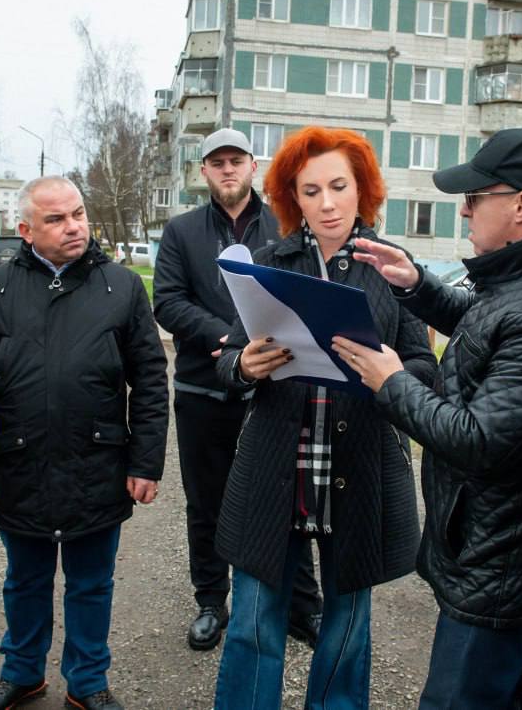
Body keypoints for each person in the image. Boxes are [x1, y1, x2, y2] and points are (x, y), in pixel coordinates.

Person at [333, 128, 522, 709]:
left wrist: (391, 382)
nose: (463, 209)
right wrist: (418, 285)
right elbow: (491, 327)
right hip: (504, 546)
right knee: (517, 693)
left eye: (475, 197)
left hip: (504, 560)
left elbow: (477, 439)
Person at [211, 127, 437, 710]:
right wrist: (246, 365)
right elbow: (230, 360)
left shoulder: (391, 268)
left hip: (358, 465)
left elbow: (424, 365)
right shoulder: (270, 262)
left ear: (363, 189)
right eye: (311, 191)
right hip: (276, 465)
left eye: (339, 186)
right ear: (294, 198)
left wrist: (393, 374)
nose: (328, 203)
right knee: (253, 618)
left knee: (347, 623)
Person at [0, 176, 168, 710]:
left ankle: (88, 682)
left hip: (99, 463)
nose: (74, 227)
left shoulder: (121, 287)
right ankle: (21, 673)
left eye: (78, 214)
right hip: (20, 464)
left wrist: (146, 461)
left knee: (92, 583)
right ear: (26, 230)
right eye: (56, 219)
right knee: (25, 580)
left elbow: (151, 381)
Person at [153, 127, 322, 652]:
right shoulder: (181, 232)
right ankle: (211, 601)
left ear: (253, 166)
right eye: (217, 162)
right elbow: (168, 301)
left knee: (288, 498)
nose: (227, 170)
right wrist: (226, 338)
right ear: (204, 171)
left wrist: (259, 344)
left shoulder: (284, 226)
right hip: (202, 389)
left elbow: (303, 290)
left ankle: (302, 604)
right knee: (206, 502)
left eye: (236, 160)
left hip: (274, 390)